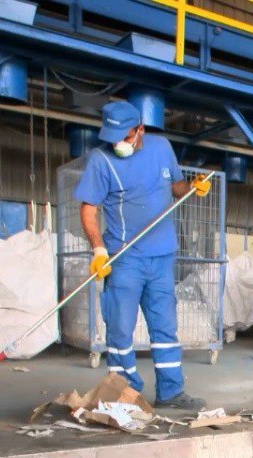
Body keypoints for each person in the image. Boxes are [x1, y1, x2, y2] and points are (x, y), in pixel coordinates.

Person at [74, 100, 210, 410]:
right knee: (120, 328)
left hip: (162, 257)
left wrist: (192, 187)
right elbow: (88, 209)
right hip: (124, 258)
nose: (118, 143)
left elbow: (175, 187)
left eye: (124, 136)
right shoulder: (100, 160)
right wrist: (98, 249)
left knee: (165, 328)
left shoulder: (161, 147)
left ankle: (171, 393)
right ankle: (126, 393)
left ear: (140, 130)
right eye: (113, 137)